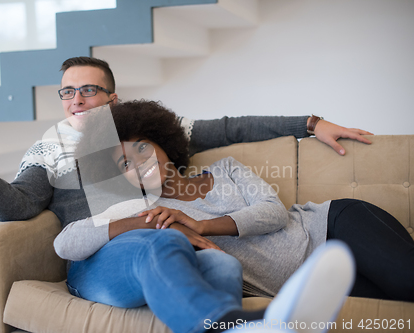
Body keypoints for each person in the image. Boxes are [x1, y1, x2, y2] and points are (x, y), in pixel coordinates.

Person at [0, 56, 374, 229]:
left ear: (112, 97)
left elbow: (230, 128)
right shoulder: (50, 146)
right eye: (67, 92)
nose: (77, 100)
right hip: (109, 243)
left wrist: (310, 122)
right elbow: (19, 208)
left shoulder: (144, 131)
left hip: (174, 230)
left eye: (88, 90)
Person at [55, 100, 414, 304]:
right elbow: (66, 242)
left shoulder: (225, 168)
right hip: (304, 282)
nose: (139, 163)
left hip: (336, 225)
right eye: (124, 164)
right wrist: (135, 223)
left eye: (142, 148)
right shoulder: (143, 212)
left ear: (162, 140)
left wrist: (199, 224)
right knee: (396, 304)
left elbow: (274, 213)